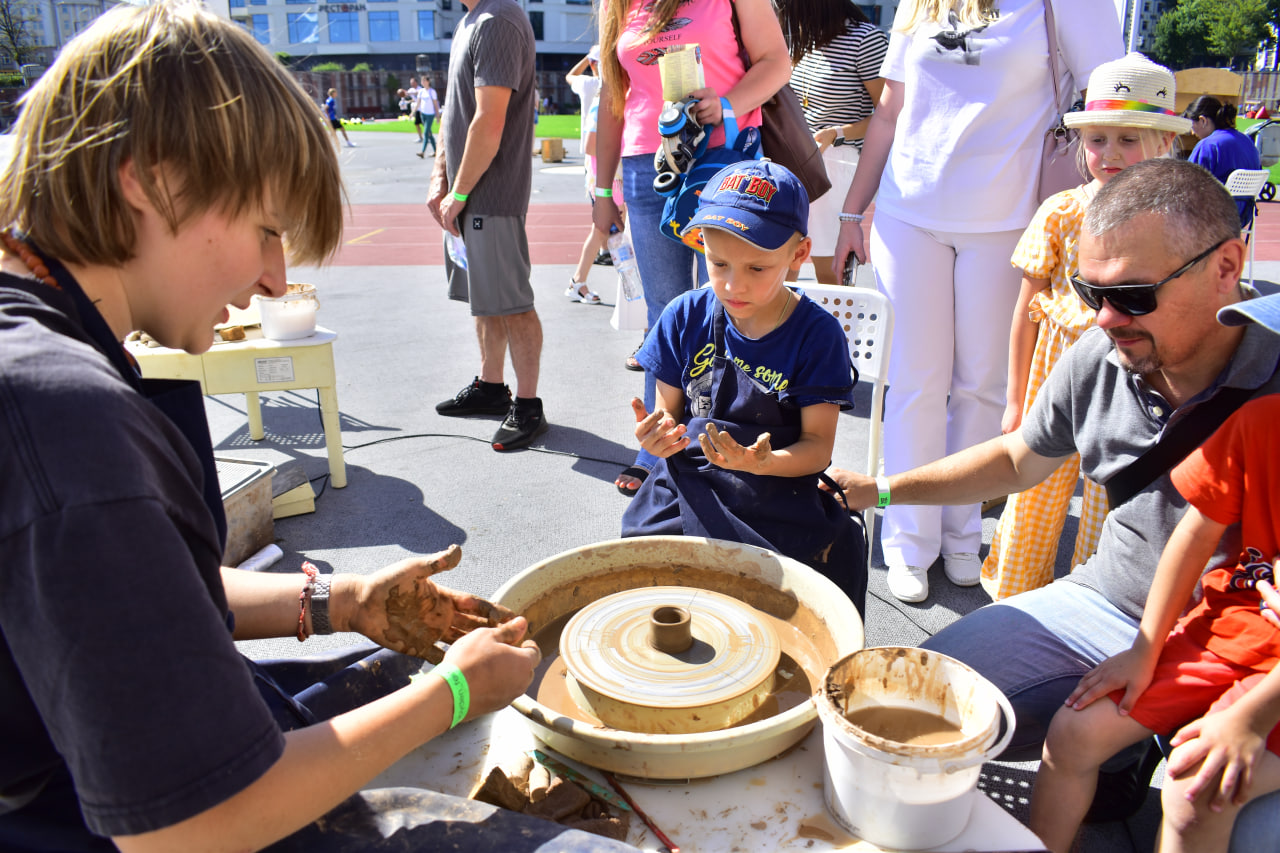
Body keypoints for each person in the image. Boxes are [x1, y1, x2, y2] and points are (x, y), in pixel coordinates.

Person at [0, 5, 580, 851]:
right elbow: (195, 826)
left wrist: (340, 599)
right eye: (266, 229)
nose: (277, 279)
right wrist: (451, 693)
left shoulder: (40, 346)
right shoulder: (64, 421)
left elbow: (135, 596)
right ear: (153, 179)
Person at [827, 158, 1280, 838]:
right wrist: (883, 489)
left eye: (1132, 293)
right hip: (1115, 604)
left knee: (1237, 819)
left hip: (1262, 637)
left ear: (1227, 265)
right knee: (895, 707)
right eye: (1086, 289)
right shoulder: (1103, 351)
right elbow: (1016, 458)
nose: (1103, 318)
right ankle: (1115, 758)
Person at [830, 0, 1121, 603]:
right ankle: (907, 540)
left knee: (981, 386)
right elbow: (889, 110)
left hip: (1008, 216)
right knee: (912, 383)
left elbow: (1111, 95)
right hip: (909, 212)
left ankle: (962, 532)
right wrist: (852, 210)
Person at [1030, 308, 1280, 853]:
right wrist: (1145, 649)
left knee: (1198, 787)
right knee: (1074, 732)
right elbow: (1192, 537)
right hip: (1234, 625)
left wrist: (1248, 719)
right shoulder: (1261, 422)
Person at [622, 160, 867, 615]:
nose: (734, 284)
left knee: (775, 603)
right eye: (718, 264)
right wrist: (657, 437)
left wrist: (764, 462)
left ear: (799, 253)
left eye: (757, 267)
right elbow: (669, 417)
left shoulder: (818, 335)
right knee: (639, 577)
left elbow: (816, 449)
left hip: (778, 491)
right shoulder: (683, 315)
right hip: (687, 480)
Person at [982, 53, 1185, 601]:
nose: (1109, 154)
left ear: (1164, 143)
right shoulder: (1061, 211)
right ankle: (1013, 607)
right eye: (1097, 139)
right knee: (1033, 497)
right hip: (1055, 371)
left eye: (1128, 139)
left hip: (1131, 383)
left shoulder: (1175, 221)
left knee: (1111, 503)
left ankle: (1094, 606)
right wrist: (1015, 397)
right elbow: (1025, 312)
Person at [592, 0, 792, 497]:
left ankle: (736, 434)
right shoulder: (617, 2)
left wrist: (725, 103)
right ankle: (656, 445)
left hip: (724, 156)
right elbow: (611, 97)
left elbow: (776, 62)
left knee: (737, 298)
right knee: (664, 313)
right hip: (648, 163)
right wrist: (601, 190)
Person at [429, 0, 546, 452]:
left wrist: (459, 193)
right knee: (485, 301)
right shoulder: (470, 20)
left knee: (512, 304)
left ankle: (529, 405)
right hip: (465, 194)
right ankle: (491, 387)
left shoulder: (498, 21)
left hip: (489, 195)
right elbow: (452, 113)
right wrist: (441, 181)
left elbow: (488, 119)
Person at [781, 0, 887, 285]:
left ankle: (836, 330)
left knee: (830, 271)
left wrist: (836, 133)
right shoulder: (800, 38)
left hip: (838, 165)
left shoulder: (865, 39)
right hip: (796, 164)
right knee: (782, 266)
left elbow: (888, 115)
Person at [565, 45, 605, 306]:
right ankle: (578, 281)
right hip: (605, 169)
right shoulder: (598, 89)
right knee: (603, 229)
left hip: (600, 167)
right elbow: (593, 144)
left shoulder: (589, 84)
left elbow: (569, 76)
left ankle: (579, 281)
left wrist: (587, 60)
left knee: (609, 231)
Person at [1185, 95, 1263, 228]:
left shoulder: (1208, 145)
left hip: (1214, 217)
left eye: (1192, 126)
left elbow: (1187, 185)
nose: (1192, 133)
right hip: (1243, 216)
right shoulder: (1247, 141)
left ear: (1203, 120)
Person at [415, 75, 441, 159]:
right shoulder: (421, 91)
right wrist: (412, 112)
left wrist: (437, 116)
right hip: (423, 115)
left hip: (430, 115)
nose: (422, 82)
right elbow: (418, 103)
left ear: (428, 81)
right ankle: (436, 151)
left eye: (424, 81)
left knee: (426, 133)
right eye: (422, 81)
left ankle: (422, 152)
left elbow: (435, 105)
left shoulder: (432, 91)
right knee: (429, 134)